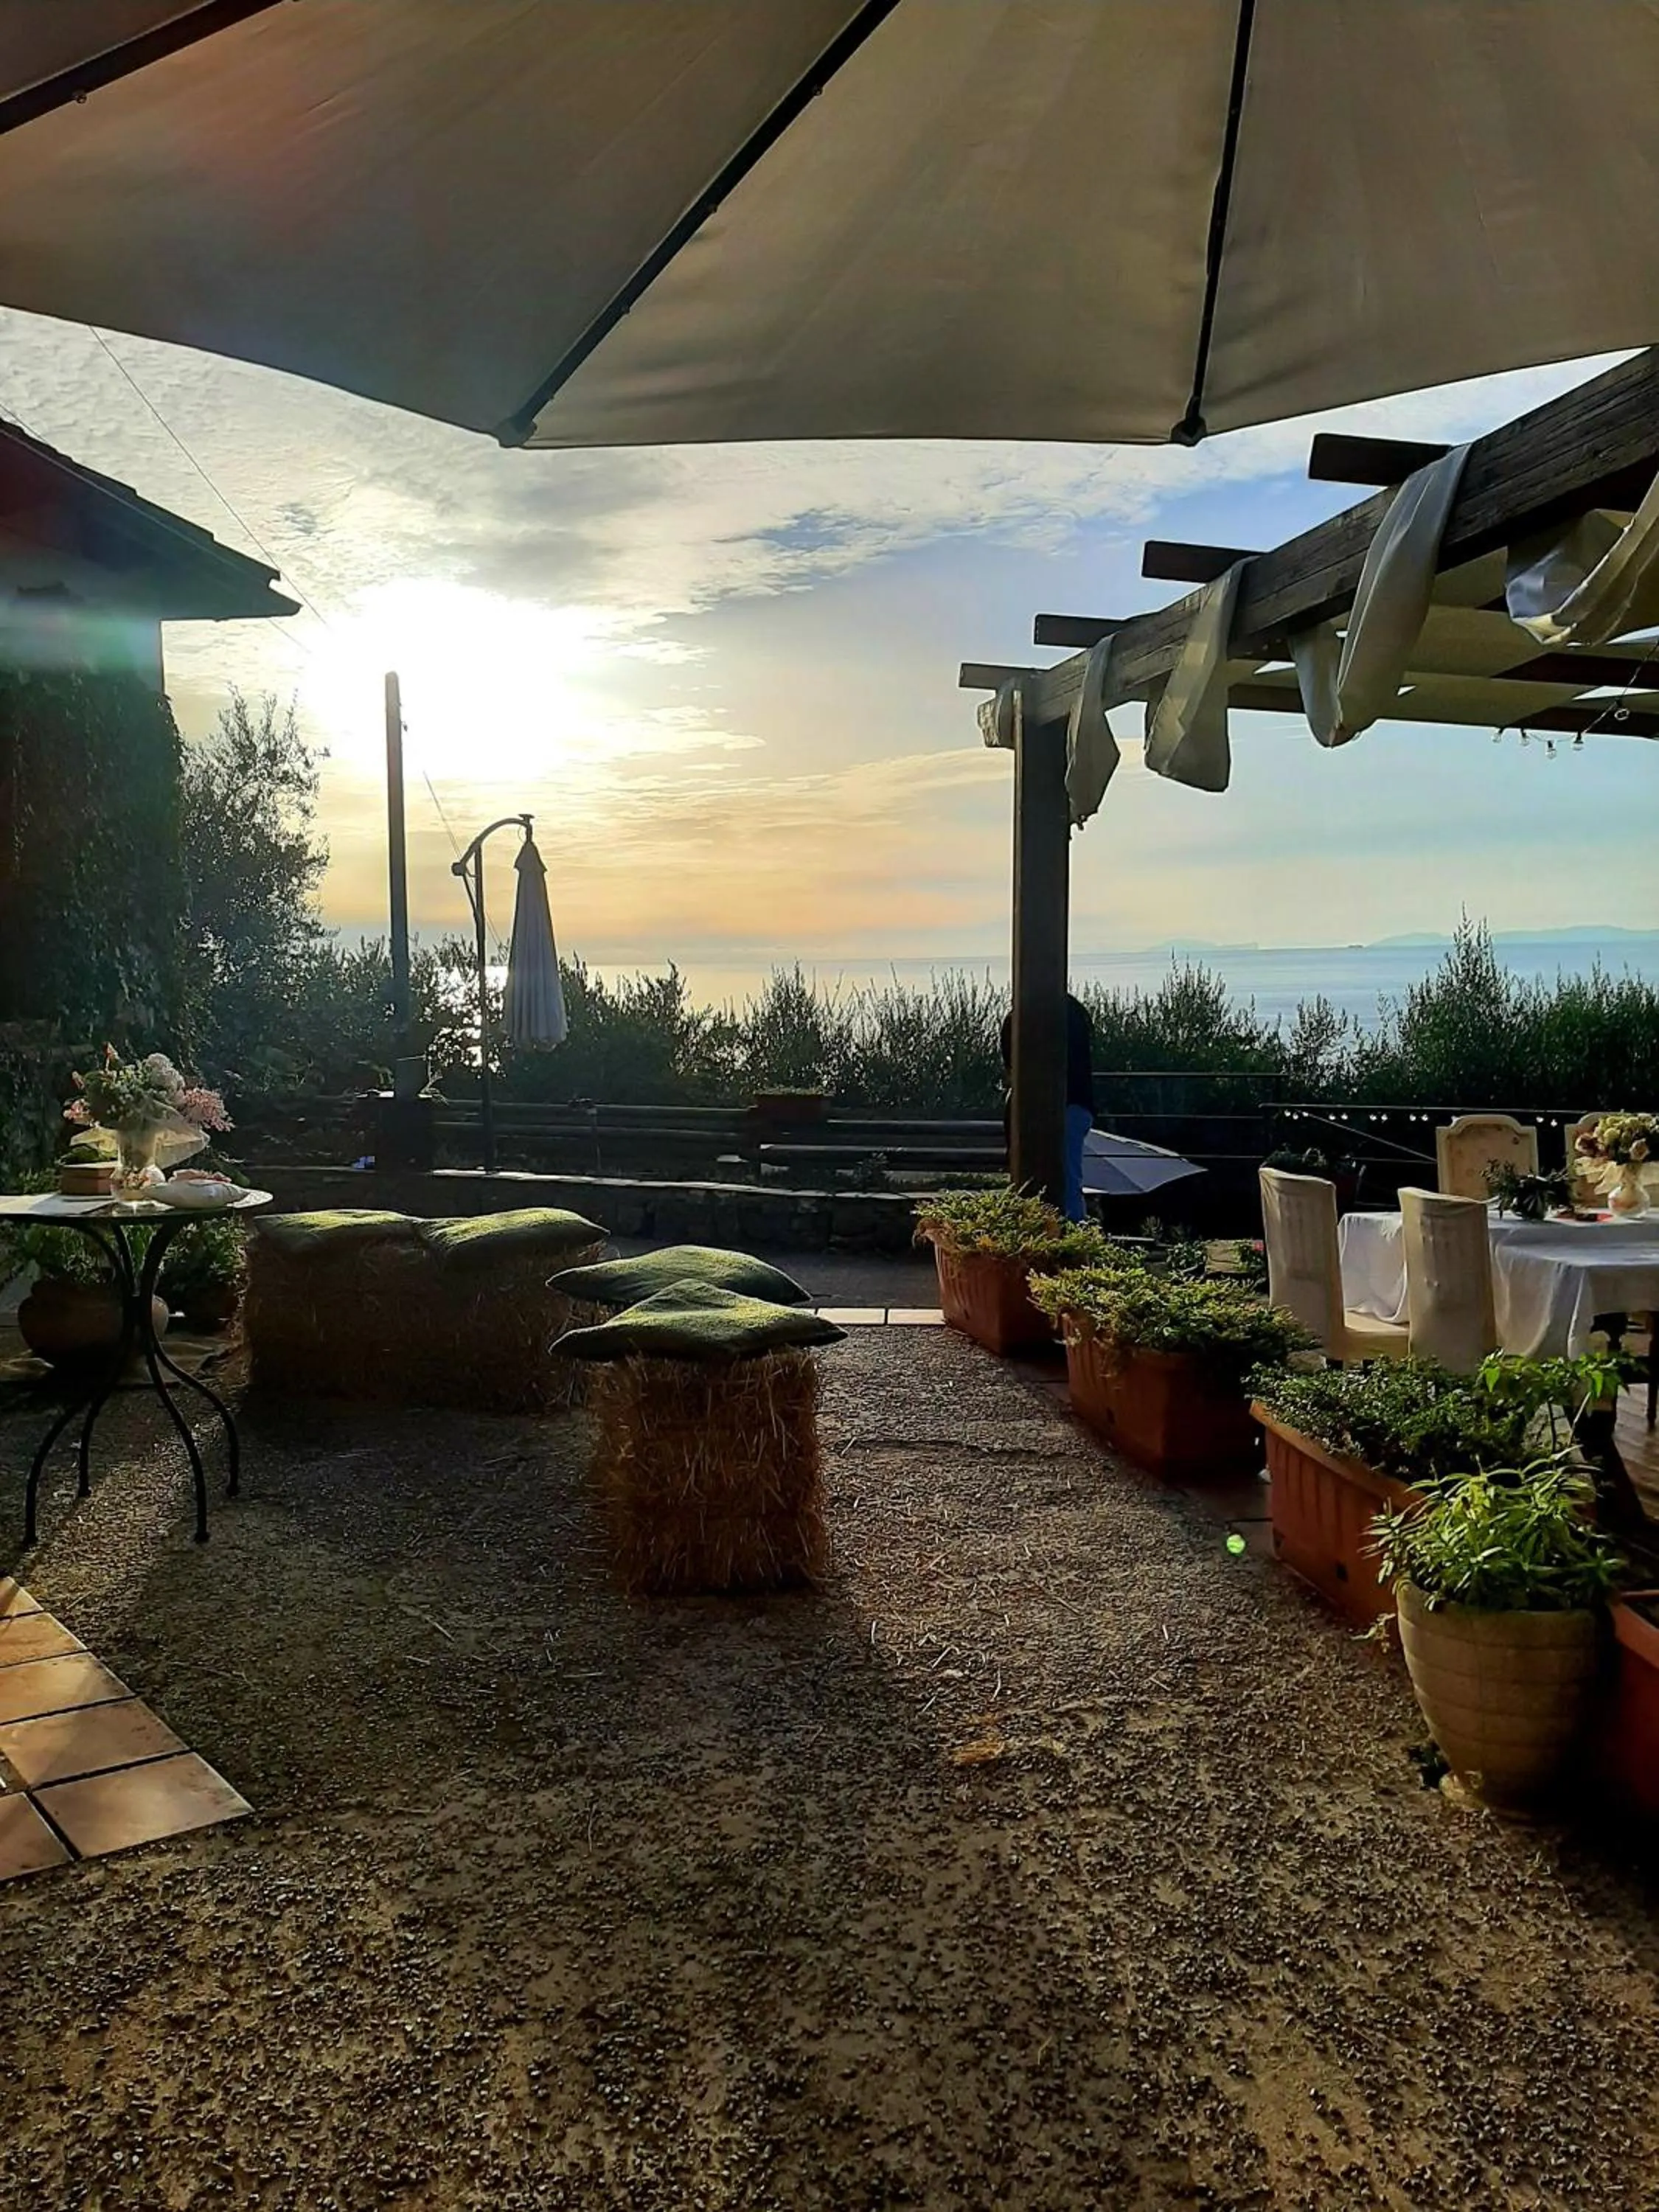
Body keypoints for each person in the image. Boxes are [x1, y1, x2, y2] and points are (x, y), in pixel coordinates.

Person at [999, 994, 1096, 1223]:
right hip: (1078, 1105)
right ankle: (1073, 1235)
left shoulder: (1020, 1019)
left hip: (1056, 1106)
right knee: (1069, 1177)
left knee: (1046, 1176)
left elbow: (1009, 1063)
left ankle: (1052, 1232)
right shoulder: (1072, 1014)